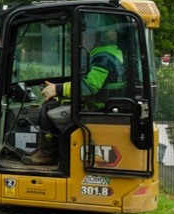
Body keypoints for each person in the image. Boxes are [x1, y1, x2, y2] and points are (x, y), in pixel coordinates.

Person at [25, 19, 126, 166]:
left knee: (50, 109)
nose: (82, 39)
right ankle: (45, 150)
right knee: (53, 104)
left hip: (96, 109)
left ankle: (48, 154)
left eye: (84, 34)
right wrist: (58, 88)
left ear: (97, 36)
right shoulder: (110, 52)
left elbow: (89, 87)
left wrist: (57, 89)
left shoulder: (104, 58)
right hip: (98, 106)